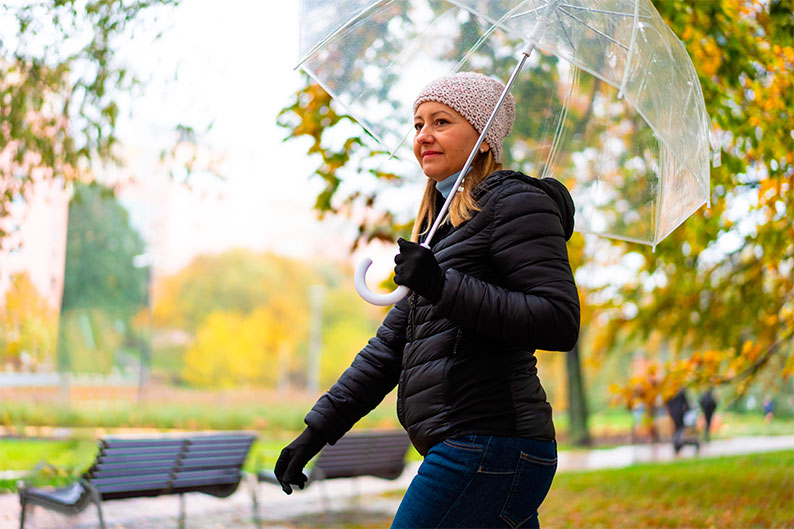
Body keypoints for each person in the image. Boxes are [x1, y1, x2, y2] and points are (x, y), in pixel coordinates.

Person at [274, 72, 580, 528]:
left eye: (441, 122)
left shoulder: (516, 204)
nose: (424, 136)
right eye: (418, 125)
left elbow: (558, 321)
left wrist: (442, 285)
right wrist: (317, 431)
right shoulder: (442, 228)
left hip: (490, 443)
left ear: (483, 135)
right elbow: (389, 349)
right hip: (478, 446)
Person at [665, 389, 699, 454]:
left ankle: (679, 444)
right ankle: (680, 444)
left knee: (680, 430)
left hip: (677, 414)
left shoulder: (669, 392)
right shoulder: (675, 392)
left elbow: (668, 404)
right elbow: (685, 403)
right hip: (680, 414)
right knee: (681, 430)